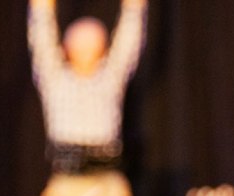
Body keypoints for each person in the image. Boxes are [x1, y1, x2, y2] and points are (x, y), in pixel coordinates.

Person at [28, 0, 147, 173]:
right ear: (65, 49)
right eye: (80, 44)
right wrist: (41, 7)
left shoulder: (110, 78)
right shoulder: (55, 78)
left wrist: (134, 7)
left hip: (106, 175)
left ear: (103, 50)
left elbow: (129, 41)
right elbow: (41, 35)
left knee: (116, 195)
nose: (85, 50)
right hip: (66, 176)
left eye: (91, 45)